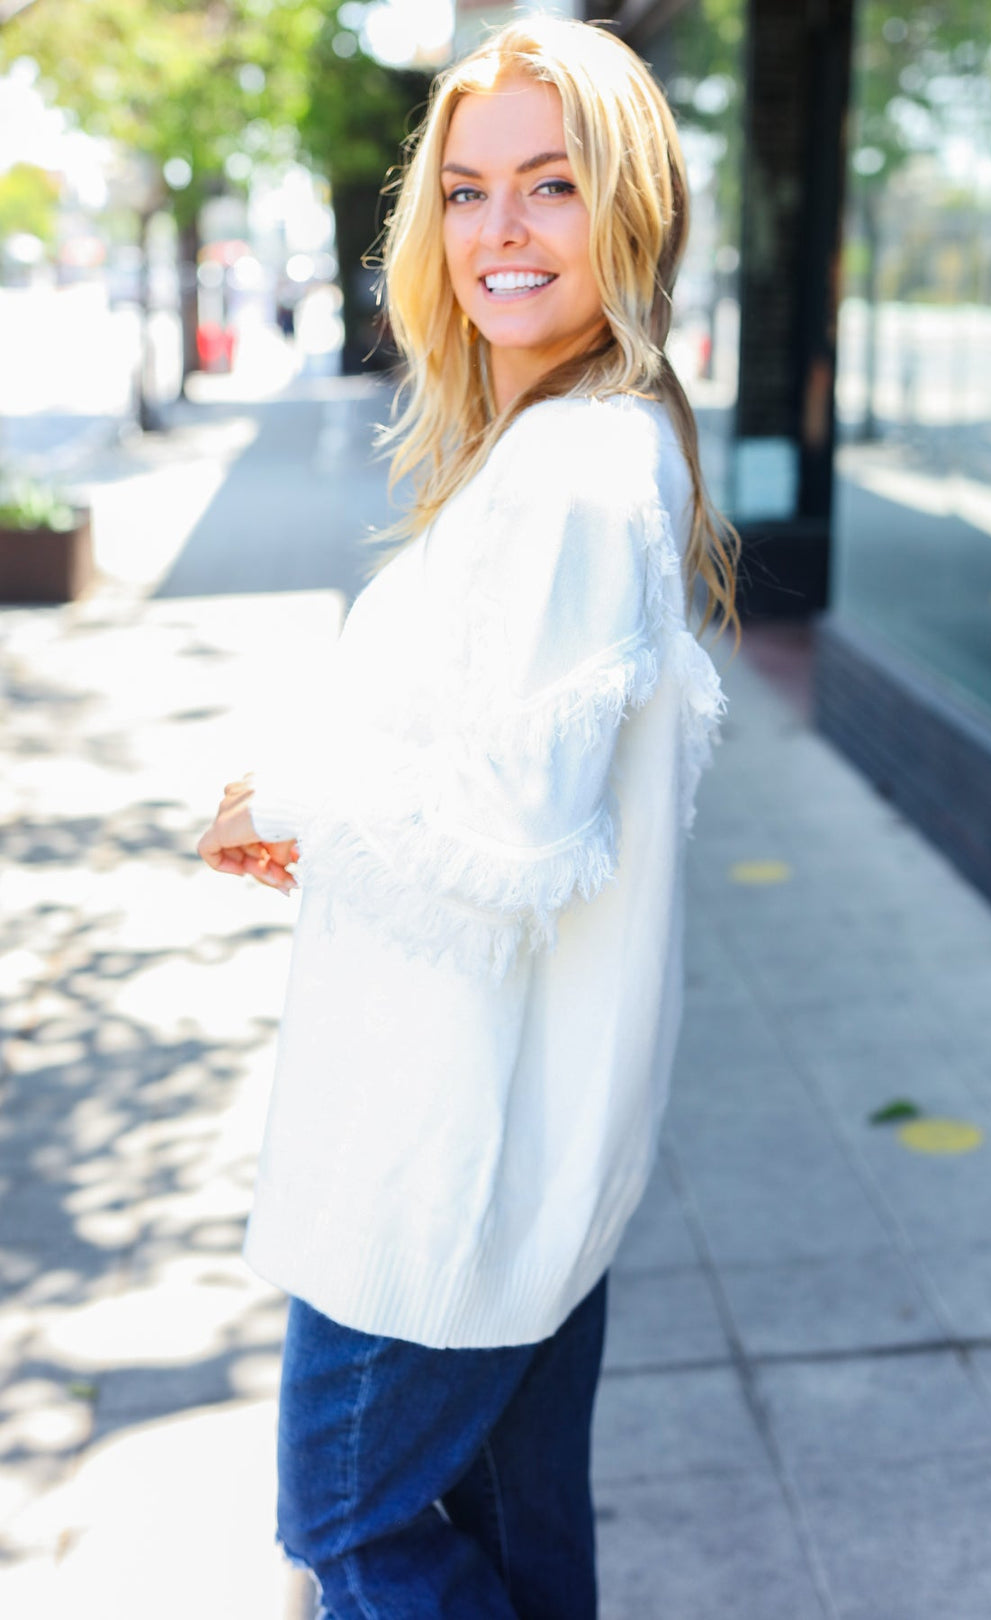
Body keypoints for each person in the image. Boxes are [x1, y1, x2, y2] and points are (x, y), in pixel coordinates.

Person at [196, 16, 740, 1619]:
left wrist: (290, 798)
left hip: (438, 1161)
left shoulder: (574, 469)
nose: (502, 231)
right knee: (515, 1547)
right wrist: (335, 811)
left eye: (551, 186)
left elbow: (509, 825)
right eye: (469, 190)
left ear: (625, 211)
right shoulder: (577, 451)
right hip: (514, 1142)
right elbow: (522, 785)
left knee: (352, 1533)